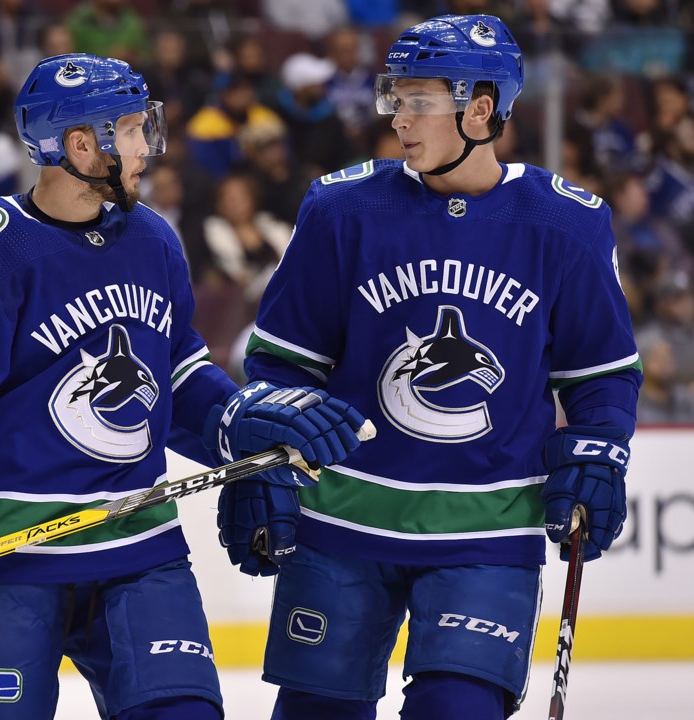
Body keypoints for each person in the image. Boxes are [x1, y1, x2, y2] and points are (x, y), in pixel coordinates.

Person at [0, 53, 367, 720]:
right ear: (82, 145)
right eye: (135, 130)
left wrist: (236, 427)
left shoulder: (152, 239)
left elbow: (176, 376)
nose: (150, 147)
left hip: (137, 547)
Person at [218, 15, 642, 719]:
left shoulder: (566, 224)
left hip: (488, 530)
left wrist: (601, 450)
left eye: (418, 101)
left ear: (481, 109)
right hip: (343, 521)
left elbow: (601, 375)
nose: (399, 120)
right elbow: (284, 366)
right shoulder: (341, 208)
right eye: (396, 98)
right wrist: (268, 458)